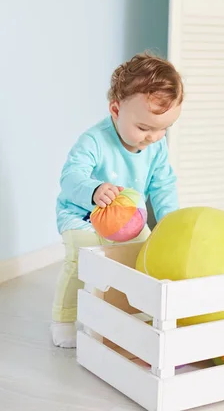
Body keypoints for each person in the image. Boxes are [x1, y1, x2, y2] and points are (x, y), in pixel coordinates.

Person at [51, 52, 183, 347]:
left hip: (128, 219)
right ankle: (65, 318)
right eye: (145, 128)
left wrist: (170, 221)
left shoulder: (156, 148)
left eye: (164, 128)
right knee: (82, 256)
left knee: (144, 257)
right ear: (116, 109)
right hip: (83, 215)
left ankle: (137, 313)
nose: (154, 137)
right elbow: (70, 178)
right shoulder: (94, 140)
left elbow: (163, 185)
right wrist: (94, 190)